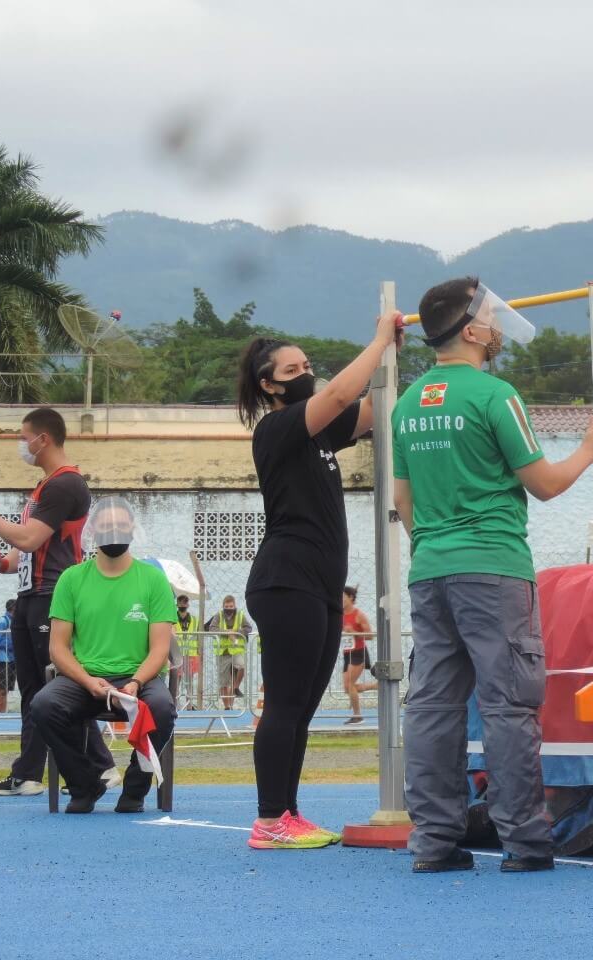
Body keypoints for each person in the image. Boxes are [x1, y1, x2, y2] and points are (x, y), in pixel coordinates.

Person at [395, 277, 593, 874]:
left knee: (434, 706)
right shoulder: (495, 395)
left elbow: (403, 498)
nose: (497, 327)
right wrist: (589, 448)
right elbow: (543, 484)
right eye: (490, 318)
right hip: (493, 566)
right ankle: (525, 839)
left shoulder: (408, 404)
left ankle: (433, 841)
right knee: (509, 703)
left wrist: (437, 545)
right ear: (470, 331)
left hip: (430, 566)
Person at [237, 308, 402, 849]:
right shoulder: (277, 428)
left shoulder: (323, 436)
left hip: (319, 585)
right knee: (285, 702)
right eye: (293, 370)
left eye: (308, 364)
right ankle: (268, 820)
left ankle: (287, 811)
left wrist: (393, 352)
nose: (305, 373)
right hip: (286, 579)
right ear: (269, 386)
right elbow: (333, 398)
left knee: (303, 706)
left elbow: (373, 409)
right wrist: (376, 338)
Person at [0, 407, 116, 797]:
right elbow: (24, 552)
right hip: (30, 595)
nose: (22, 444)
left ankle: (99, 766)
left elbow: (30, 539)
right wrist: (0, 565)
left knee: (57, 687)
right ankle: (30, 773)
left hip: (52, 595)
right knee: (35, 691)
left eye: (24, 437)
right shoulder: (44, 487)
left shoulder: (65, 485)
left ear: (43, 439)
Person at [32, 497, 177, 813]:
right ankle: (85, 784)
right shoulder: (72, 579)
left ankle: (134, 791)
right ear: (93, 530)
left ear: (132, 529)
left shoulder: (153, 580)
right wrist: (87, 680)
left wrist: (136, 682)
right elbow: (58, 648)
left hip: (139, 678)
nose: (114, 531)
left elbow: (160, 649)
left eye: (121, 524)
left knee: (163, 708)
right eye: (106, 525)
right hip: (87, 679)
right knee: (44, 705)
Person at [205, 596, 250, 709]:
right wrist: (226, 632)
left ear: (234, 605)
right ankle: (227, 707)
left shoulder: (240, 615)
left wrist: (236, 632)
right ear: (223, 606)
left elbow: (248, 628)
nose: (229, 608)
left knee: (242, 666)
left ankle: (236, 687)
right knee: (224, 681)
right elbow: (212, 628)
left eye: (231, 606)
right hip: (223, 652)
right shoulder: (219, 615)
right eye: (226, 606)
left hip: (236, 650)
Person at [340, 586, 375, 724]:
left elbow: (371, 635)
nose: (340, 600)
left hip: (359, 652)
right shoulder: (339, 614)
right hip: (346, 653)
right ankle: (375, 686)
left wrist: (354, 631)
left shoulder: (358, 615)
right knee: (347, 688)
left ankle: (357, 716)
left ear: (351, 598)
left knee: (350, 684)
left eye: (343, 597)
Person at [170, 595, 200, 708]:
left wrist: (198, 652)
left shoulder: (194, 619)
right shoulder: (173, 619)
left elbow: (198, 637)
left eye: (185, 603)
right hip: (176, 653)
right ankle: (175, 704)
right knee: (176, 681)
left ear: (188, 604)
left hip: (190, 654)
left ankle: (190, 705)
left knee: (190, 682)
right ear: (177, 604)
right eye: (180, 603)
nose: (183, 605)